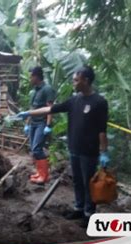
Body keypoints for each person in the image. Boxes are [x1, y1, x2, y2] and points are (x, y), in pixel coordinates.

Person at [17, 65, 110, 227]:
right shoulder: (75, 100)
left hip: (89, 151)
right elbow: (51, 108)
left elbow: (102, 129)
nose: (73, 83)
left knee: (89, 182)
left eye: (76, 80)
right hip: (74, 147)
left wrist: (104, 152)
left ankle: (89, 214)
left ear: (86, 80)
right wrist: (29, 113)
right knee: (77, 181)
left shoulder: (99, 102)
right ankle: (79, 208)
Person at [24, 66, 56, 184]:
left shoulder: (47, 89)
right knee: (33, 149)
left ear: (36, 76)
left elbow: (50, 108)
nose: (30, 79)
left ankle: (44, 176)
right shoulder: (34, 91)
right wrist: (27, 124)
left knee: (37, 149)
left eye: (31, 76)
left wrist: (48, 125)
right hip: (33, 123)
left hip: (42, 123)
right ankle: (39, 173)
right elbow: (32, 109)